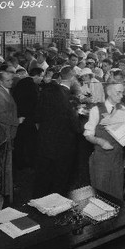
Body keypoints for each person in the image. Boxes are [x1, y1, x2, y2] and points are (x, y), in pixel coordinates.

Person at [33, 66, 82, 197]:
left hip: (44, 143)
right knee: (60, 183)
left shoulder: (47, 90)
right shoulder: (69, 98)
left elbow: (37, 116)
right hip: (63, 147)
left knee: (42, 181)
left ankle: (36, 211)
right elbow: (76, 127)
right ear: (72, 79)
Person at [84, 82, 125, 199]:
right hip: (101, 159)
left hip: (117, 158)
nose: (121, 95)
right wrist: (100, 142)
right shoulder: (96, 110)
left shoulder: (122, 108)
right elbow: (88, 134)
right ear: (108, 92)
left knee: (117, 194)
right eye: (118, 92)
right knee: (100, 194)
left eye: (122, 92)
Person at [12, 67, 43, 169]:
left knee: (20, 140)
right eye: (41, 76)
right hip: (28, 118)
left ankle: (19, 161)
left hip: (19, 115)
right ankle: (29, 162)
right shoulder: (32, 86)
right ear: (37, 75)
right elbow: (36, 103)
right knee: (30, 141)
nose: (42, 79)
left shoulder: (21, 82)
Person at [0, 71, 19, 144]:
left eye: (11, 79)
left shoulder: (5, 89)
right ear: (0, 82)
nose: (11, 82)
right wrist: (17, 121)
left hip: (8, 128)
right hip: (4, 129)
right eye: (8, 80)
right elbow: (1, 116)